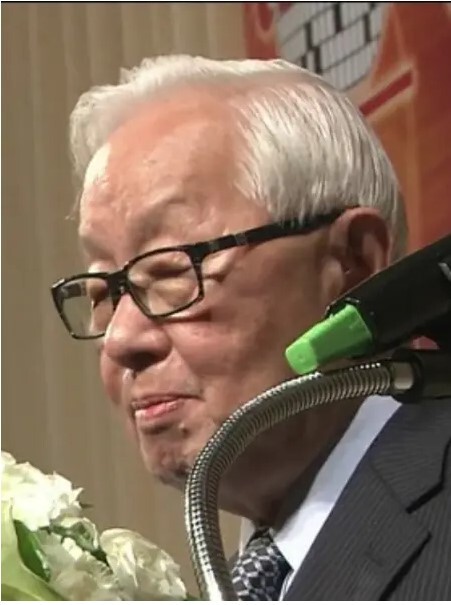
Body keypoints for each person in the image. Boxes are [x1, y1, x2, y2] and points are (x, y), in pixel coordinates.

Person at [51, 56, 451, 600]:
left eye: (170, 270)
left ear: (353, 264)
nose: (121, 340)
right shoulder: (244, 581)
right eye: (103, 291)